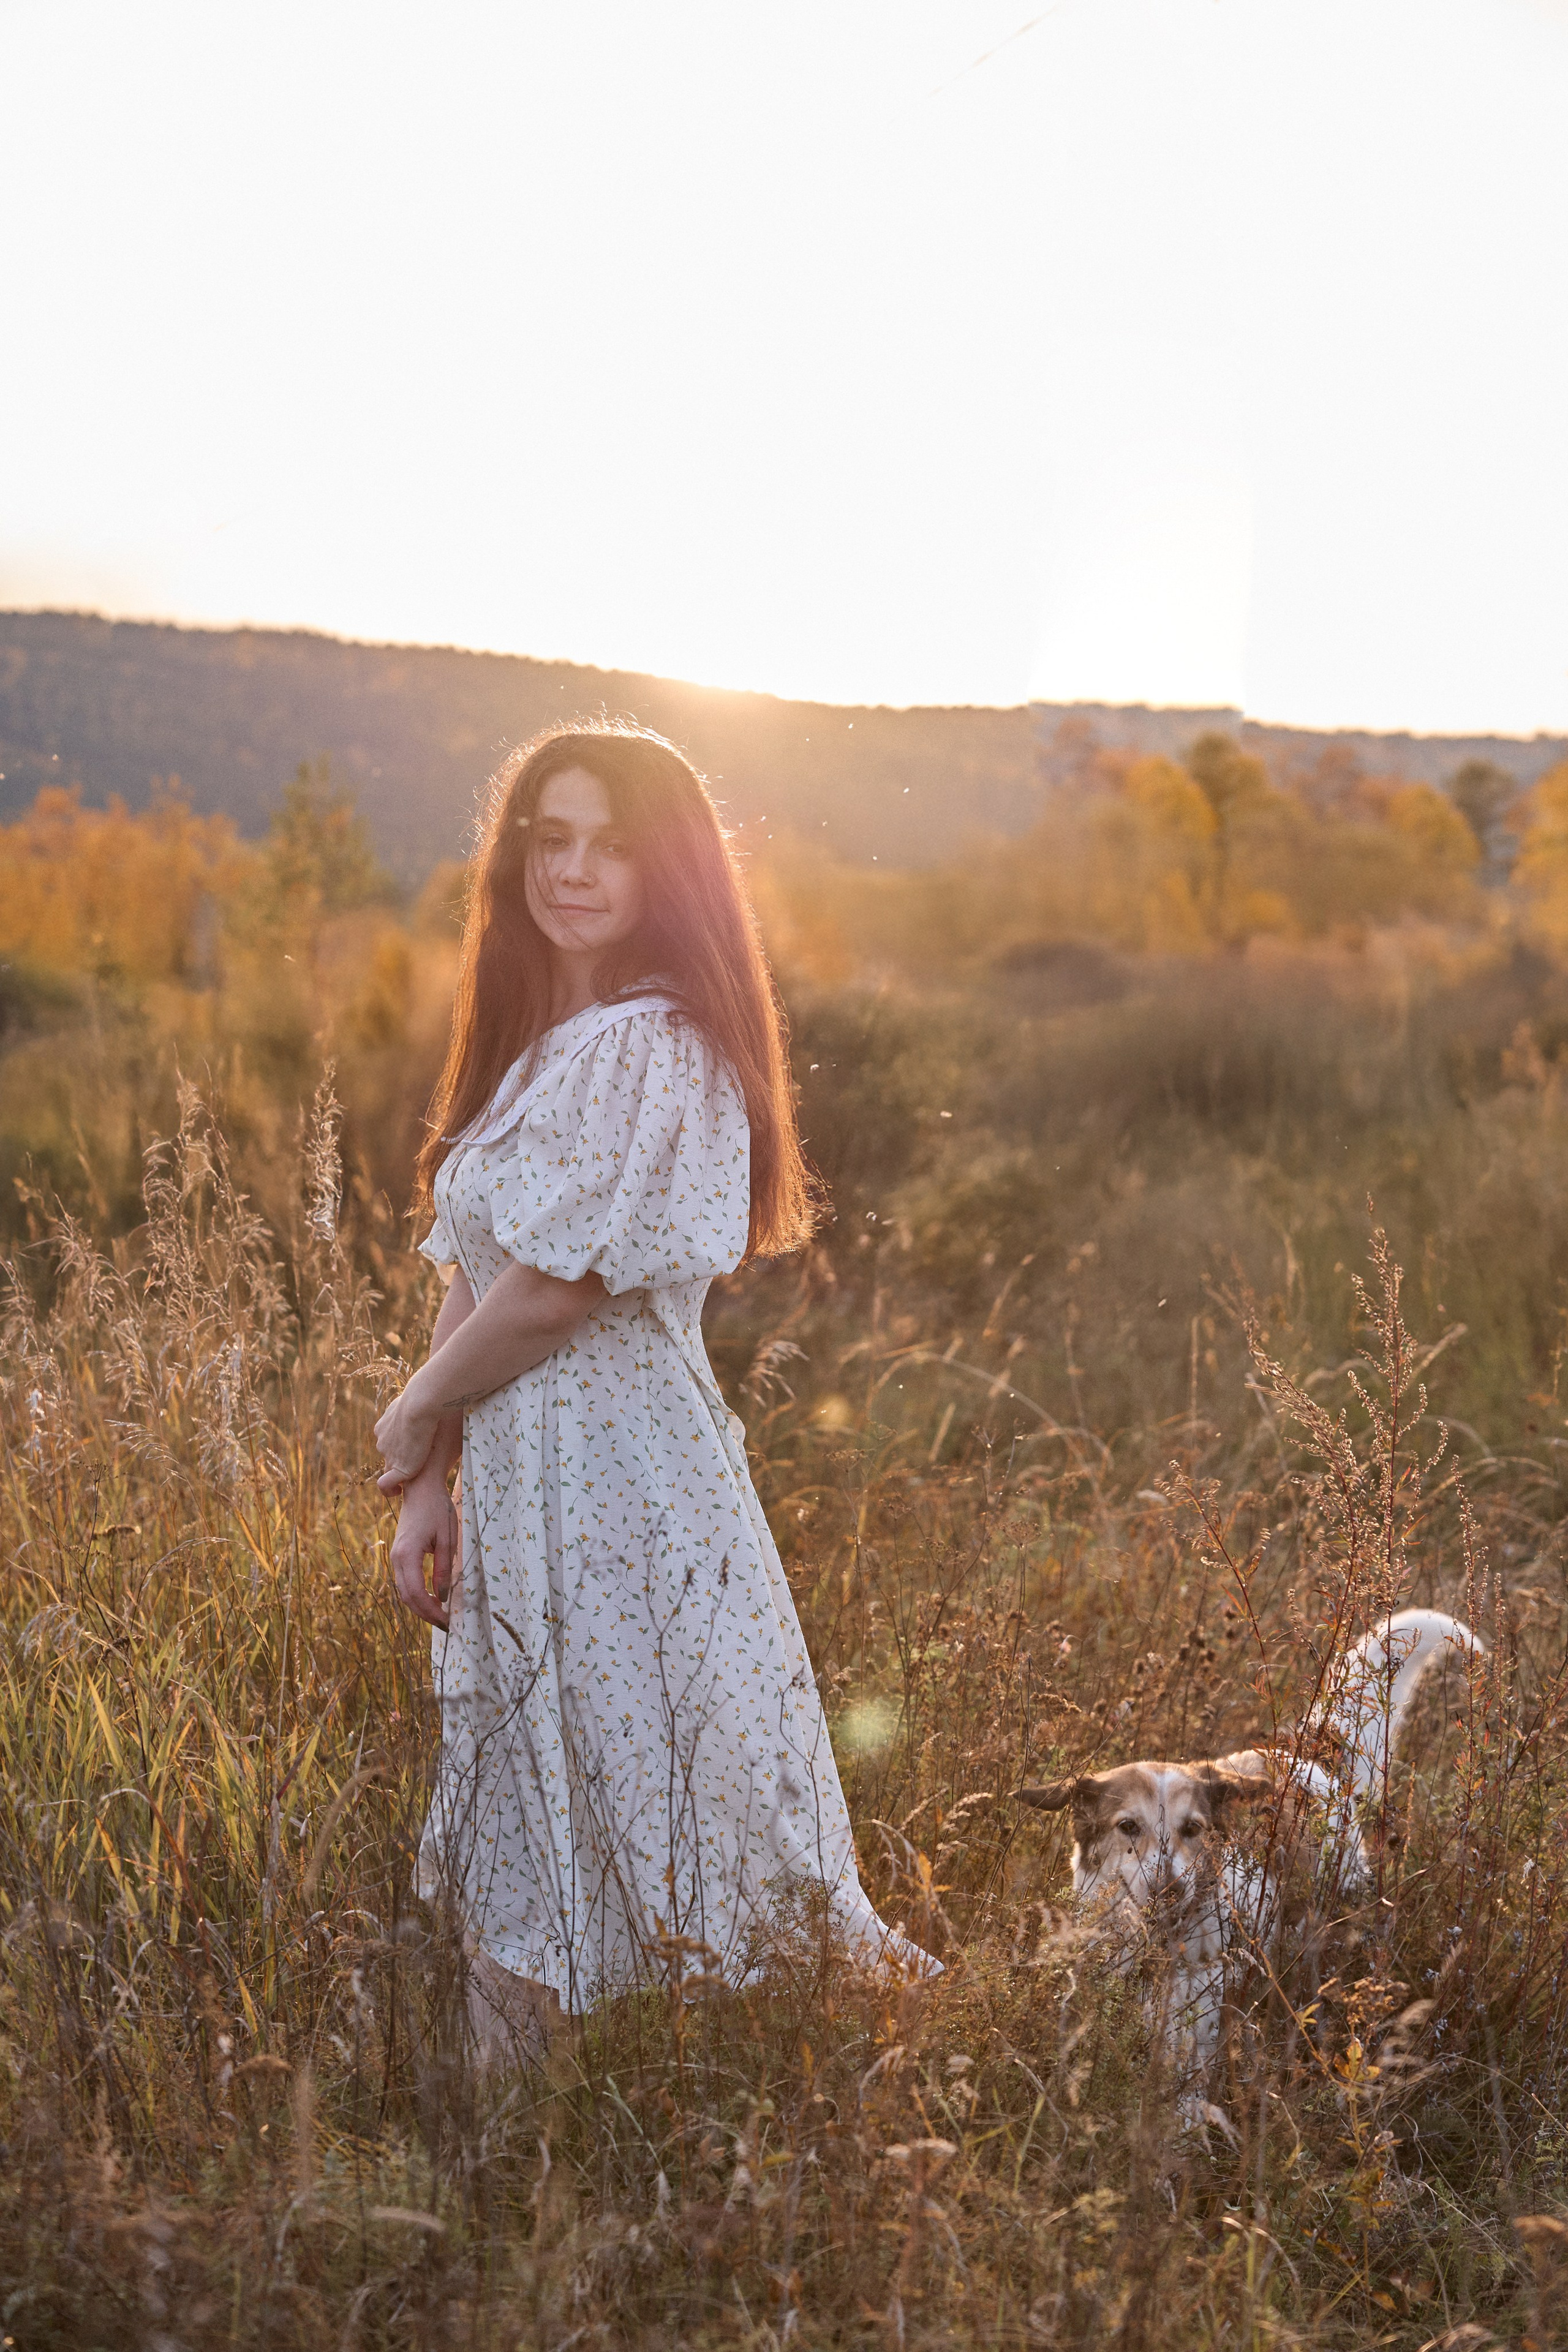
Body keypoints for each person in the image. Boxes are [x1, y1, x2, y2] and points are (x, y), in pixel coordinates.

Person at [374, 722, 935, 2059]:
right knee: (537, 1781)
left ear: (665, 872)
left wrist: (405, 1416)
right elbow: (482, 1268)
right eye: (547, 840)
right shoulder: (531, 1054)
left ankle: (866, 2101)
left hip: (624, 1482)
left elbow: (555, 1291)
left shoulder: (654, 1043)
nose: (571, 873)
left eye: (611, 847)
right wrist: (429, 1478)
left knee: (699, 1796)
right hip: (524, 1479)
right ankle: (514, 2158)